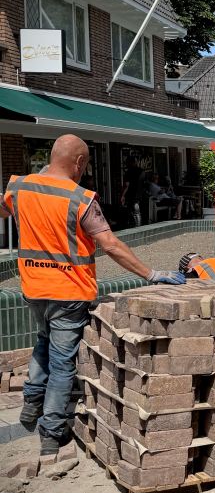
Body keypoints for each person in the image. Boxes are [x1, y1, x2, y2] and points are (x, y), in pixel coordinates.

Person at [0, 135, 185, 457]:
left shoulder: (20, 187)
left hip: (32, 287)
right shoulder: (80, 199)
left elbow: (3, 211)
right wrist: (152, 274)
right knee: (62, 363)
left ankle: (30, 405)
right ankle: (51, 431)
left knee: (43, 341)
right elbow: (110, 244)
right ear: (79, 163)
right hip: (68, 293)